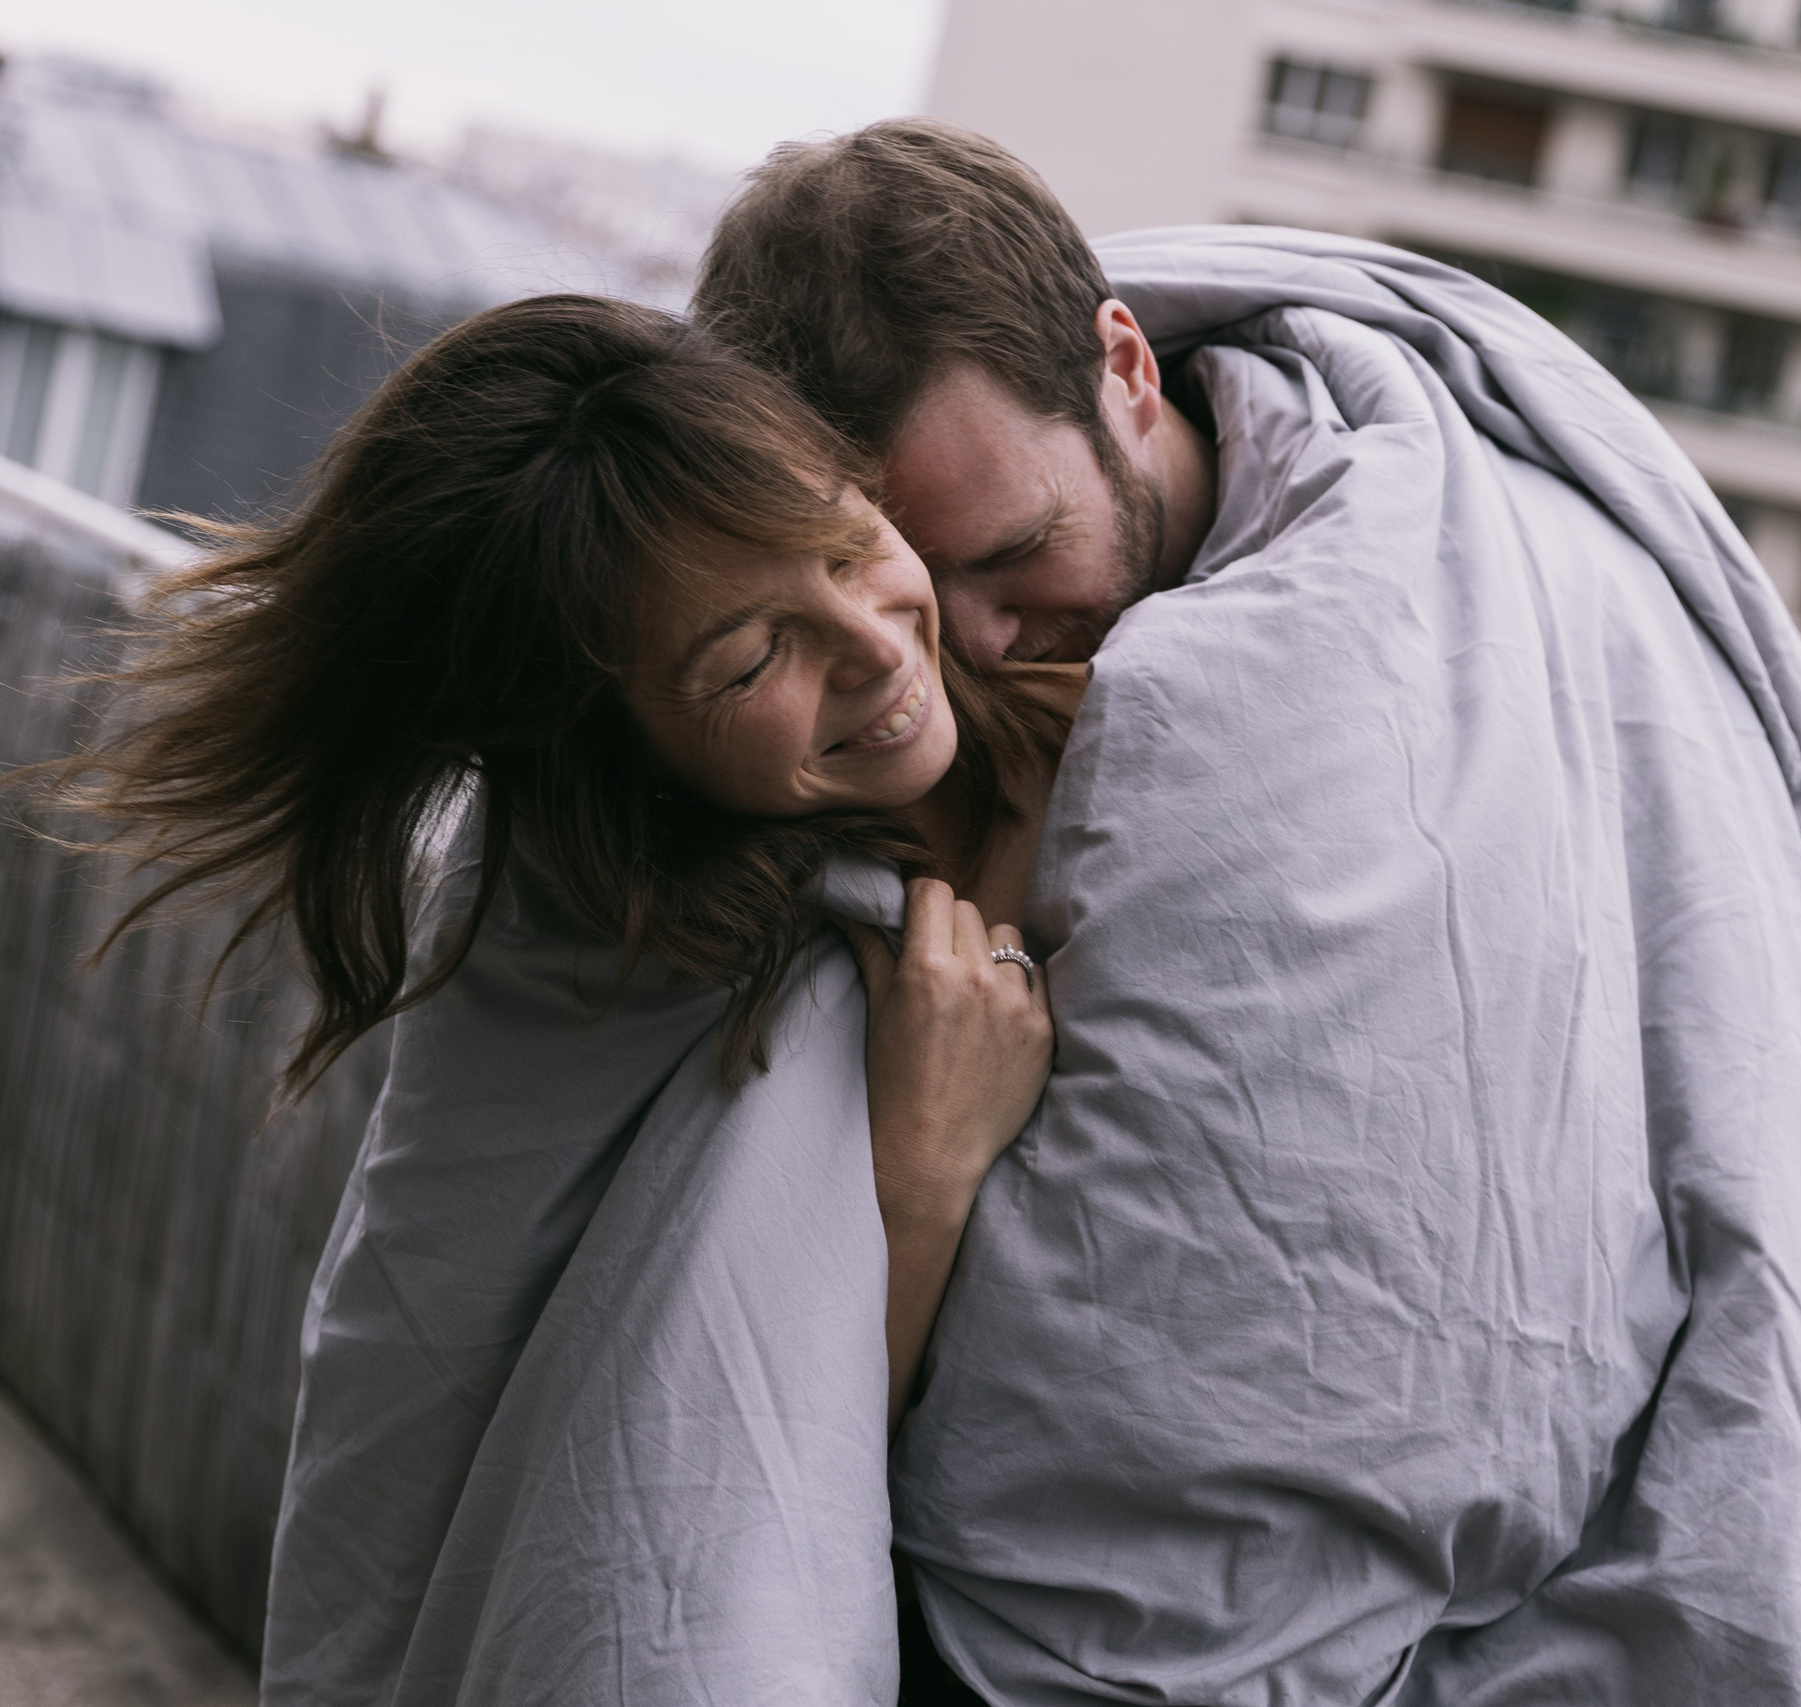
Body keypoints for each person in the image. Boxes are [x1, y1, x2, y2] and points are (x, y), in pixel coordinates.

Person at [694, 121, 1801, 1706]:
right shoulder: (860, 692)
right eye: (897, 574)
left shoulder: (1462, 554)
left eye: (1018, 553)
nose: (963, 644)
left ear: (1125, 364)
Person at [32, 294, 1068, 1699]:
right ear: (603, 740)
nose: (879, 643)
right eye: (753, 656)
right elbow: (711, 1499)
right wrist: (921, 1176)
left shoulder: (1080, 693)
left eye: (846, 539)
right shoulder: (600, 951)